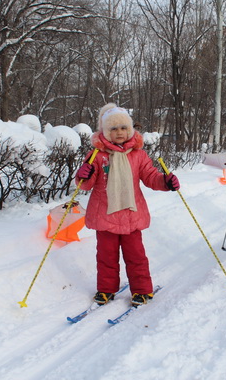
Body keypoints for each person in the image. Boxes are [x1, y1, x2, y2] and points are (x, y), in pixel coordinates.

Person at [75, 103, 180, 306]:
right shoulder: (97, 155)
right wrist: (83, 174)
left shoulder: (138, 155)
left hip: (132, 216)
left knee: (136, 256)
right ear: (106, 132)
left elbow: (151, 177)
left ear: (130, 129)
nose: (119, 132)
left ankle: (141, 290)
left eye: (123, 127)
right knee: (106, 257)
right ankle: (106, 289)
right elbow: (85, 184)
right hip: (105, 215)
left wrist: (165, 182)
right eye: (113, 128)